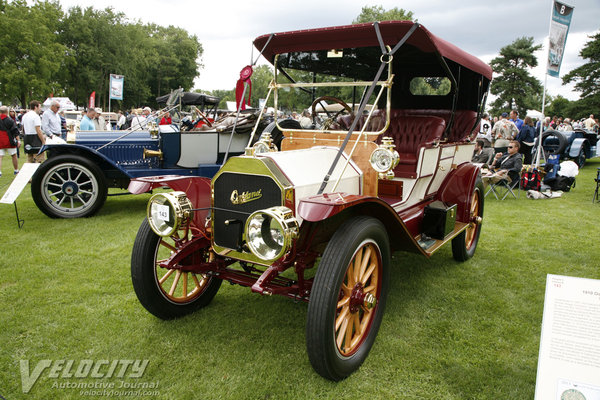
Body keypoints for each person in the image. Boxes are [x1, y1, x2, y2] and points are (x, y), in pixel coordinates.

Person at [0, 106, 21, 176]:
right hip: (9, 140)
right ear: (7, 112)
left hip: (0, 141)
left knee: (0, 157)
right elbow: (15, 131)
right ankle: (16, 170)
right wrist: (18, 140)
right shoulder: (10, 120)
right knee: (14, 155)